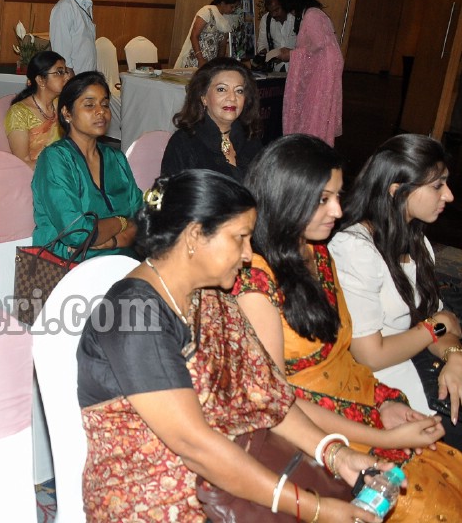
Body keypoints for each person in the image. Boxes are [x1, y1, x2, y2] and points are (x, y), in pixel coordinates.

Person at [78, 169, 386, 522]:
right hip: (153, 497)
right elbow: (194, 445)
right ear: (195, 235)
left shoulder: (210, 298)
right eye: (240, 237)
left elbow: (265, 393)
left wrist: (334, 453)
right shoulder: (132, 316)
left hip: (230, 473)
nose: (247, 254)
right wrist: (314, 508)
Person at [235, 134, 462, 521]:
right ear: (287, 197)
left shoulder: (318, 253)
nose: (339, 211)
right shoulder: (256, 283)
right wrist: (383, 438)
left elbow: (346, 357)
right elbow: (279, 401)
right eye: (324, 199)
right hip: (313, 430)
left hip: (366, 398)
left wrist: (385, 403)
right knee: (429, 505)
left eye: (338, 196)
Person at [329, 134, 462, 446]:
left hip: (415, 362)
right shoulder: (353, 248)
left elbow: (443, 322)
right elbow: (370, 356)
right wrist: (435, 327)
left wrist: (455, 356)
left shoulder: (418, 242)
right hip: (381, 386)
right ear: (397, 191)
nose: (450, 196)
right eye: (437, 185)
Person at [31, 71, 141, 260]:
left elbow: (142, 217)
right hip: (69, 265)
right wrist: (122, 222)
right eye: (89, 105)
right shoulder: (55, 159)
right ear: (67, 113)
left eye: (105, 104)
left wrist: (115, 241)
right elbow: (77, 233)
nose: (101, 112)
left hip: (122, 262)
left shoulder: (116, 158)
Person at [160, 57, 263, 181]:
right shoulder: (183, 143)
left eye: (239, 91)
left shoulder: (251, 139)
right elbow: (172, 195)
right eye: (221, 89)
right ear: (203, 97)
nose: (232, 98)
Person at [275, 0, 343, 146]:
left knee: (313, 108)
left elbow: (317, 44)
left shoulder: (311, 15)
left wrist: (290, 55)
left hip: (322, 70)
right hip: (325, 67)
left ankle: (310, 143)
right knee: (318, 108)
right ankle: (314, 141)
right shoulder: (317, 13)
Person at [4, 50, 71, 168]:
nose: (67, 76)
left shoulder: (61, 105)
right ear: (41, 80)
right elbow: (22, 163)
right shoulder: (19, 113)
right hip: (37, 177)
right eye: (60, 72)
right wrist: (59, 167)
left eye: (66, 72)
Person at [49, 0, 97, 75]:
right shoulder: (64, 8)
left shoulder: (86, 4)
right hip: (74, 76)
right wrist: (69, 76)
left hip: (87, 74)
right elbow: (61, 49)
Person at [176, 0, 239, 69]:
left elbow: (222, 46)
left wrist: (219, 63)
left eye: (235, 7)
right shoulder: (207, 11)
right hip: (195, 59)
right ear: (223, 3)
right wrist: (200, 59)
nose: (233, 10)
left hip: (211, 63)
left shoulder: (227, 19)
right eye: (232, 7)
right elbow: (194, 36)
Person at [256, 0, 297, 72]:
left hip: (297, 68)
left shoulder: (296, 18)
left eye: (277, 10)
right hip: (277, 69)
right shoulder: (266, 19)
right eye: (271, 11)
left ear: (284, 5)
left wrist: (289, 54)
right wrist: (265, 54)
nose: (274, 14)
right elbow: (262, 42)